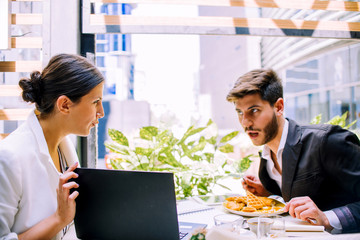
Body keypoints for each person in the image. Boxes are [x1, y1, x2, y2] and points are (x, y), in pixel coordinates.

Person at [226, 69, 360, 233]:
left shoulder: (326, 141)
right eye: (240, 112)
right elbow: (297, 194)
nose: (245, 122)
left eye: (254, 110)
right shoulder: (266, 157)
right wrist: (268, 193)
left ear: (279, 107)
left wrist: (327, 219)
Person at [0, 53, 105, 239]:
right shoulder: (9, 157)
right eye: (95, 102)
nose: (101, 112)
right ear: (64, 105)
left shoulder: (65, 148)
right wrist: (59, 219)